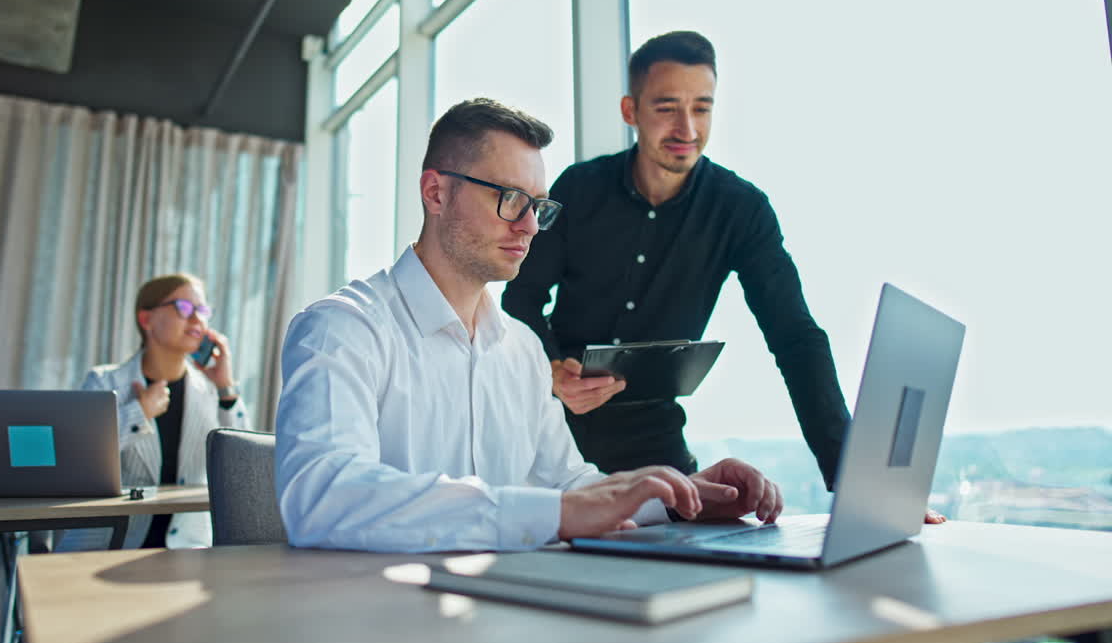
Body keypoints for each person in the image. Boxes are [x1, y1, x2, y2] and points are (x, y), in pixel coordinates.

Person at [276, 98, 783, 553]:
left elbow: (567, 486)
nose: (530, 226)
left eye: (538, 205)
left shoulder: (521, 349)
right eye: (509, 197)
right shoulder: (341, 330)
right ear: (436, 192)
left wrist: (680, 498)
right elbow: (324, 497)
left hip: (504, 615)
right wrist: (555, 515)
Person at [500, 32, 945, 523]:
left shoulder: (741, 209)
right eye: (667, 107)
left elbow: (795, 338)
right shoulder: (580, 189)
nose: (686, 127)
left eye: (702, 108)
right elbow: (520, 299)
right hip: (556, 445)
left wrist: (855, 481)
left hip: (657, 452)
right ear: (631, 111)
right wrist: (552, 370)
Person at [78, 273, 251, 548]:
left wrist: (226, 388)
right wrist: (140, 412)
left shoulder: (210, 389)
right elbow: (81, 460)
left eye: (202, 310)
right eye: (184, 308)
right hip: (110, 545)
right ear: (146, 320)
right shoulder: (104, 382)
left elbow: (243, 462)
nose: (197, 319)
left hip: (188, 550)